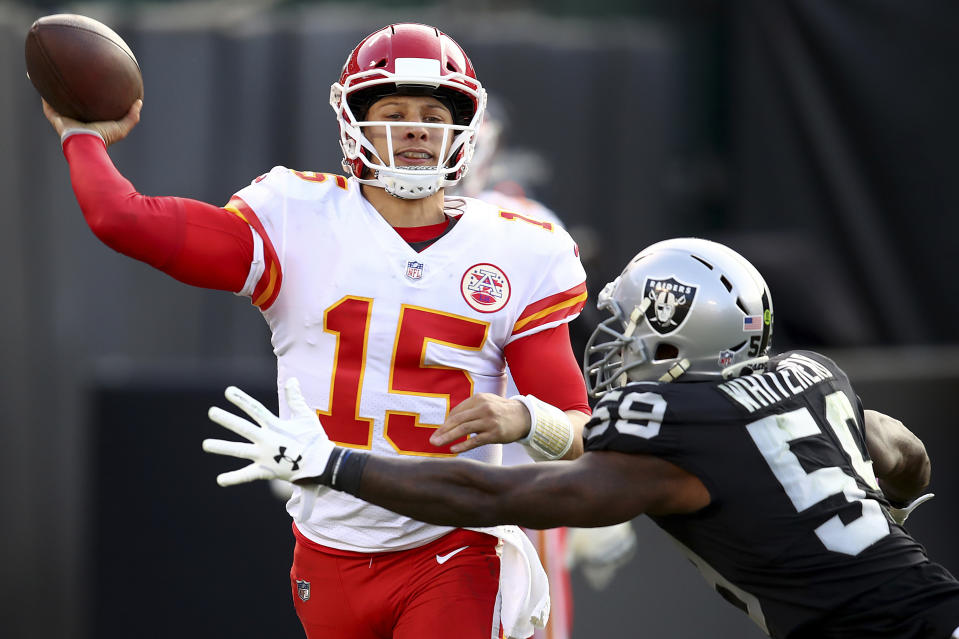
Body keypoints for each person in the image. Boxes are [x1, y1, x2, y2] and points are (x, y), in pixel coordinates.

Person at [45, 23, 592, 639]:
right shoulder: (294, 219)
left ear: (461, 129)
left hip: (455, 543)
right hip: (327, 550)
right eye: (393, 110)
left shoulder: (518, 250)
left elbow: (579, 429)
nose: (415, 127)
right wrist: (83, 137)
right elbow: (123, 220)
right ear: (354, 121)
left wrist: (523, 418)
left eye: (432, 112)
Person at [203, 237, 959, 639]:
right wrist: (881, 504)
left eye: (630, 324)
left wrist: (333, 462)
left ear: (675, 333)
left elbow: (495, 491)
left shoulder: (680, 430)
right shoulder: (810, 375)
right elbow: (903, 451)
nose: (613, 344)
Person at [457, 96, 637, 639]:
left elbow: (582, 358)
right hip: (407, 462)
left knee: (526, 618)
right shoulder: (362, 223)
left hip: (518, 467)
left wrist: (600, 464)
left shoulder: (522, 226)